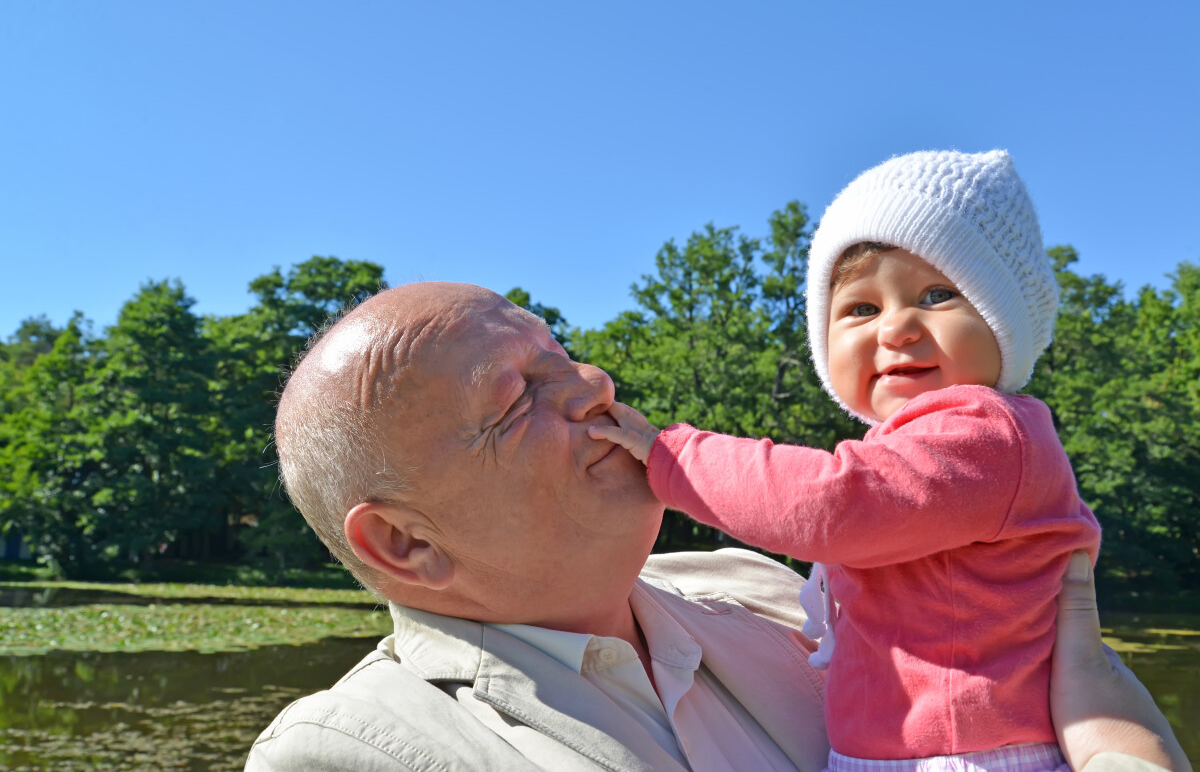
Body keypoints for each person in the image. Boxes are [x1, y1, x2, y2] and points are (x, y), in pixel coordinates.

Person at [246, 280, 1188, 772]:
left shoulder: (769, 585)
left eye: (563, 357)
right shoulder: (342, 754)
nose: (596, 387)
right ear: (405, 544)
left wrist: (1109, 718)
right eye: (518, 394)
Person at [591, 150, 1109, 770]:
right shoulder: (919, 446)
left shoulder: (987, 432)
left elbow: (833, 504)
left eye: (938, 294)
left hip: (969, 755)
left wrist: (669, 455)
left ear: (1005, 326)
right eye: (862, 308)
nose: (896, 328)